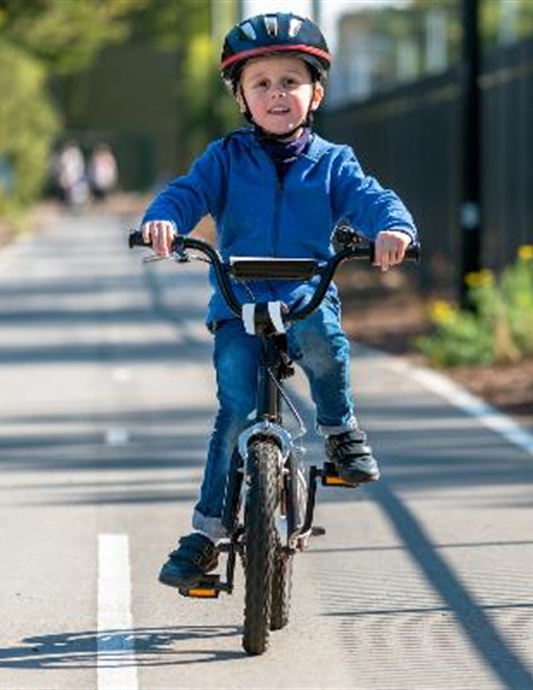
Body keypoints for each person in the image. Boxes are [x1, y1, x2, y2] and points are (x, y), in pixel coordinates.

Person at [139, 12, 417, 589]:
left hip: (303, 294)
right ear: (241, 96)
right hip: (238, 303)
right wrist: (162, 221)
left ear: (315, 93)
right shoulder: (223, 159)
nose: (276, 94)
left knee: (324, 343)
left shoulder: (334, 162)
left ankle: (339, 432)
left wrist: (394, 230)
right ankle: (207, 530)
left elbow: (372, 200)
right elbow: (184, 195)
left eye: (291, 81)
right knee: (236, 407)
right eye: (260, 83)